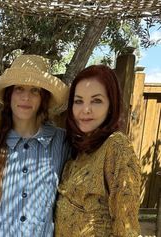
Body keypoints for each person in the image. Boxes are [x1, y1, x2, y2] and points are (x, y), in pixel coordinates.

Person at [0, 54, 70, 236]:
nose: (26, 97)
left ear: (43, 98)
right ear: (9, 95)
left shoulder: (62, 142)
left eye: (35, 91)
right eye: (19, 89)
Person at [54, 65, 141, 236]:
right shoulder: (80, 148)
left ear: (111, 105)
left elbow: (126, 223)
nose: (86, 109)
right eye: (78, 101)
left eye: (96, 100)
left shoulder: (116, 147)